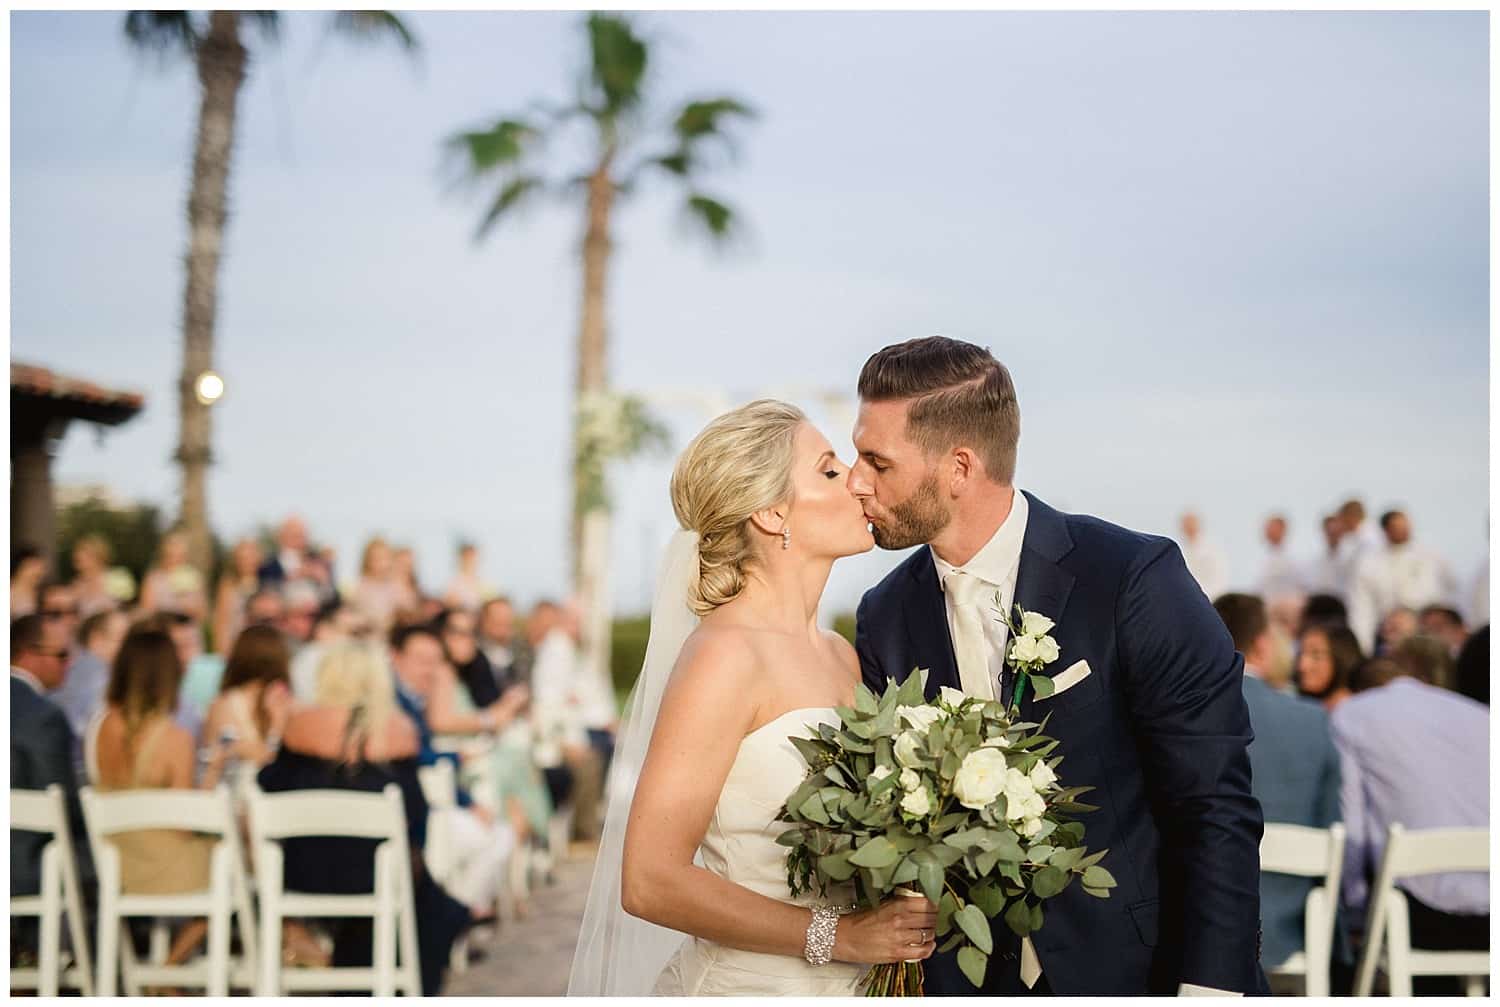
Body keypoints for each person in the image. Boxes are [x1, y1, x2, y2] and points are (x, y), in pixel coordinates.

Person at [849, 338, 1265, 995]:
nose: (856, 480)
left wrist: (1208, 989)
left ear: (959, 466)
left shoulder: (1132, 579)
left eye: (876, 460)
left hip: (1141, 974)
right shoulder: (885, 615)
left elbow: (1214, 807)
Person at [569, 399, 938, 996]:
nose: (857, 480)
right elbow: (649, 880)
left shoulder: (842, 655)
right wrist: (837, 937)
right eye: (827, 469)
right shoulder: (725, 656)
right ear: (770, 513)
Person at [259, 641, 471, 994]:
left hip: (298, 873)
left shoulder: (297, 727)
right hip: (373, 877)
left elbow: (268, 786)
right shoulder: (394, 731)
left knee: (422, 891)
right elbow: (416, 813)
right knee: (424, 893)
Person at [1330, 660, 1488, 994]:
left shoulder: (1352, 715)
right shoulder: (1478, 714)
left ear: (1360, 689)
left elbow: (1351, 817)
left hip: (1422, 911)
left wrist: (1354, 913)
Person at [1212, 594, 1344, 975]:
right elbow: (1332, 825)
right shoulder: (1311, 719)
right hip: (1291, 925)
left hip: (1201, 918)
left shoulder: (1185, 711)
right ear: (1263, 643)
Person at [86, 628, 216, 967]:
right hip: (163, 869)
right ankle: (169, 971)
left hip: (114, 862)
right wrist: (214, 773)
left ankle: (161, 974)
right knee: (240, 872)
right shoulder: (176, 739)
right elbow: (185, 825)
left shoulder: (98, 727)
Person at [389, 623, 521, 921]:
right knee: (497, 835)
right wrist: (461, 780)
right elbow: (417, 760)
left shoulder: (413, 700)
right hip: (416, 816)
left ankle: (456, 914)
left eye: (436, 662)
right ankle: (455, 916)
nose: (429, 670)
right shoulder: (394, 703)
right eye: (421, 661)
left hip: (431, 800)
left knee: (499, 832)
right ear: (395, 657)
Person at [11, 615, 91, 901]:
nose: (69, 665)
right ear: (28, 654)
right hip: (25, 867)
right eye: (62, 655)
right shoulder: (43, 716)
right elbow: (63, 805)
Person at [1347, 510, 1458, 654]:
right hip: (1388, 635)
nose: (1402, 530)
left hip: (1425, 630)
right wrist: (1363, 646)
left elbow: (1450, 591)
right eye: (1396, 527)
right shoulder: (1370, 563)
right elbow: (1362, 609)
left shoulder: (1431, 556)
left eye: (1404, 525)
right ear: (1386, 530)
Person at [50, 608, 130, 753]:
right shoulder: (97, 674)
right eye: (122, 638)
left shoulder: (77, 669)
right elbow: (85, 728)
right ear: (96, 640)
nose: (130, 647)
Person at [257, 515, 336, 605]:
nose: (299, 539)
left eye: (302, 535)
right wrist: (296, 576)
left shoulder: (320, 562)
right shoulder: (268, 566)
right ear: (281, 536)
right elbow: (265, 594)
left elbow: (334, 600)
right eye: (293, 535)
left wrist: (324, 582)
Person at [139, 531, 208, 622]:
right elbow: (146, 611)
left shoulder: (196, 579)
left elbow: (202, 614)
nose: (175, 560)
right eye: (171, 555)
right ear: (164, 554)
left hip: (186, 629)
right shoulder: (154, 578)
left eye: (180, 556)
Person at [213, 537, 263, 658]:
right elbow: (221, 623)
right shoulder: (228, 586)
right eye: (243, 558)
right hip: (235, 648)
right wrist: (223, 652)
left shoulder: (265, 582)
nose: (247, 562)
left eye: (251, 557)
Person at [1295, 623, 1362, 712]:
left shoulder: (1357, 714)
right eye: (1300, 654)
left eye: (1316, 655)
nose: (1302, 666)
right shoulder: (1298, 708)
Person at [353, 537, 404, 633]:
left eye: (385, 557)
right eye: (377, 558)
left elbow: (405, 608)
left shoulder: (395, 584)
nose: (383, 563)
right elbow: (364, 617)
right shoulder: (362, 586)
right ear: (368, 561)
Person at [1256, 514, 1307, 607]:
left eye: (1272, 527)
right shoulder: (1262, 560)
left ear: (1283, 529)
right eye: (1267, 528)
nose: (1268, 531)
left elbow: (1303, 587)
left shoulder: (1295, 559)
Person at [1178, 510, 1229, 602]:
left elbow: (1218, 580)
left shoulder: (1212, 551)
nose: (1189, 527)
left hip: (1210, 600)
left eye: (1191, 524)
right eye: (1186, 524)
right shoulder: (1181, 550)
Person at [477, 596, 523, 688]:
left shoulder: (522, 652)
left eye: (507, 617)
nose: (504, 621)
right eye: (498, 617)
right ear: (484, 621)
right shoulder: (472, 654)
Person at [69, 534, 118, 618]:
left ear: (98, 556)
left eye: (84, 553)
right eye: (77, 552)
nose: (77, 556)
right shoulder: (74, 585)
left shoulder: (115, 579)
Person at [442, 542, 494, 613]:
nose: (471, 561)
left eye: (473, 557)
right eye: (467, 557)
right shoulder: (454, 584)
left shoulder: (485, 583)